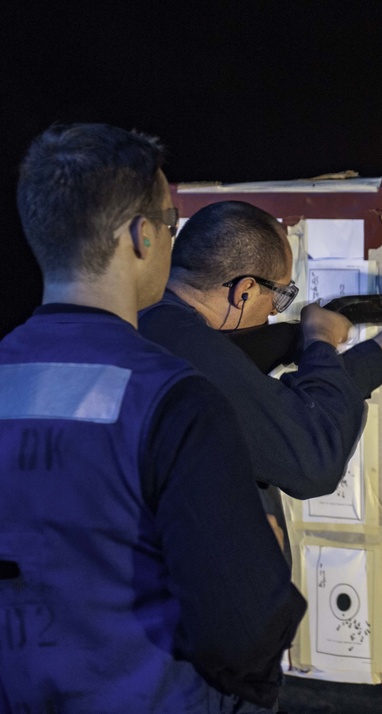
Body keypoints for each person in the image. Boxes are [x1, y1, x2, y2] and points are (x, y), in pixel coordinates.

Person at [0, 124, 305, 713]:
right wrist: (260, 561)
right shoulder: (175, 399)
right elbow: (244, 630)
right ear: (142, 235)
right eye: (172, 224)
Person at [138, 200, 382, 549]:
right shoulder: (188, 348)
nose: (272, 313)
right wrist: (320, 340)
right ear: (245, 291)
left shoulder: (157, 325)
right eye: (279, 297)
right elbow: (313, 458)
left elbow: (295, 408)